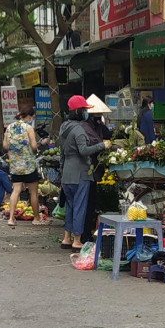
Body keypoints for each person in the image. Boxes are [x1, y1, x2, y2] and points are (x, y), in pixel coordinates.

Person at [59, 96, 111, 251]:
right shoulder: (79, 129)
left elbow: (62, 153)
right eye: (85, 110)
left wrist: (62, 172)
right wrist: (103, 145)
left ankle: (66, 238)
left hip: (67, 173)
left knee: (70, 207)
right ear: (78, 111)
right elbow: (84, 151)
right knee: (80, 206)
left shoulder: (63, 128)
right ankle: (77, 240)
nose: (87, 112)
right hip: (81, 173)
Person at [3, 106, 47, 226]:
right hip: (29, 166)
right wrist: (34, 150)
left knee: (15, 191)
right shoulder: (29, 128)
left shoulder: (9, 127)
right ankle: (36, 218)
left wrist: (15, 152)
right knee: (33, 192)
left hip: (15, 165)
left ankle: (11, 218)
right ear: (29, 116)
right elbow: (33, 146)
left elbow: (5, 146)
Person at [81, 94, 113, 243]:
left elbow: (109, 134)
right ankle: (84, 233)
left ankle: (86, 232)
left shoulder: (99, 126)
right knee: (86, 203)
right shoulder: (85, 127)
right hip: (88, 168)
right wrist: (102, 145)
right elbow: (93, 144)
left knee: (91, 202)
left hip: (95, 170)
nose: (99, 116)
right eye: (97, 114)